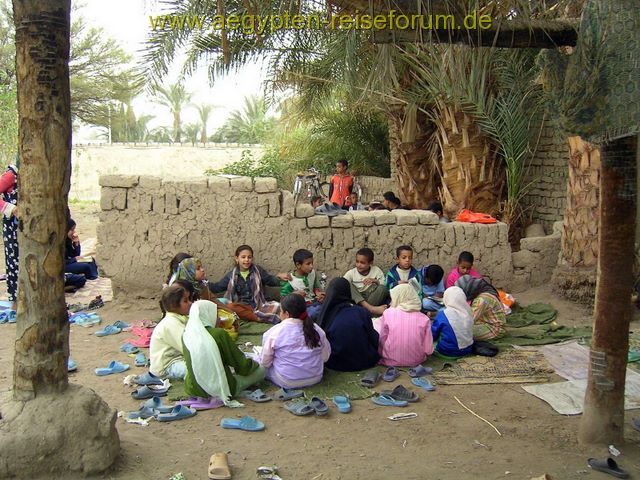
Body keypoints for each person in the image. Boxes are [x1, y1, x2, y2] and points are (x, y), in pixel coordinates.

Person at [183, 300, 265, 403]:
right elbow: (242, 366)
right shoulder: (219, 334)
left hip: (193, 389)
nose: (218, 319)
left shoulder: (185, 335)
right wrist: (255, 363)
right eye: (216, 315)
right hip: (220, 387)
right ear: (208, 315)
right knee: (262, 370)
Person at [258, 293, 331, 388]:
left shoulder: (275, 332)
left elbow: (265, 362)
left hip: (287, 380)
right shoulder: (317, 329)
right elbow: (325, 357)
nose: (280, 314)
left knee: (259, 362)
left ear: (287, 314)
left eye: (281, 311)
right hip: (315, 377)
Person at [208, 245, 290, 324]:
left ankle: (256, 316)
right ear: (237, 259)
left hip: (259, 305)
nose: (246, 260)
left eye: (249, 257)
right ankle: (257, 318)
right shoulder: (231, 275)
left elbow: (270, 280)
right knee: (230, 307)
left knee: (279, 307)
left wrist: (280, 278)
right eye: (243, 257)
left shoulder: (258, 270)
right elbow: (217, 287)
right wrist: (202, 284)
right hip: (243, 306)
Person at [317, 278, 380, 371]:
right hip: (365, 360)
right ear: (348, 291)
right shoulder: (360, 312)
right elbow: (373, 338)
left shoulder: (325, 315)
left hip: (336, 363)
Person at [378, 284, 434, 367]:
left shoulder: (388, 313)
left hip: (390, 359)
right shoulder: (424, 318)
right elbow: (428, 350)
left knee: (377, 324)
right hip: (416, 360)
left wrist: (380, 352)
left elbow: (382, 338)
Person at [150, 283, 193, 379]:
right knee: (198, 371)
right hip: (167, 366)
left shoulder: (181, 318)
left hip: (178, 358)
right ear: (174, 306)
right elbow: (188, 347)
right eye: (185, 301)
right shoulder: (171, 324)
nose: (190, 303)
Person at [455, 275, 506, 341]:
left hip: (495, 329)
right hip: (485, 321)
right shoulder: (484, 293)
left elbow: (470, 319)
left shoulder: (482, 299)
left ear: (469, 289)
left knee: (460, 333)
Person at [280, 249, 325, 320]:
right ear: (298, 265)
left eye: (312, 263)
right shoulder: (291, 280)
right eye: (308, 264)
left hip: (315, 302)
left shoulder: (312, 273)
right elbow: (284, 299)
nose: (311, 266)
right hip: (303, 308)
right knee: (314, 312)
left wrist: (318, 293)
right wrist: (294, 294)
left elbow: (315, 287)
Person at [431, 286, 474, 358]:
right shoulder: (468, 312)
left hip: (448, 351)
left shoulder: (443, 314)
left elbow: (433, 334)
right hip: (468, 349)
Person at [343, 247, 388, 316]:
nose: (359, 265)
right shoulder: (351, 273)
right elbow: (342, 284)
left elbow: (384, 285)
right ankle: (370, 310)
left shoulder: (376, 270)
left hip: (371, 298)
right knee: (346, 284)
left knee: (382, 288)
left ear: (370, 262)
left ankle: (363, 312)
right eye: (357, 261)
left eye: (362, 263)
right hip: (357, 300)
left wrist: (375, 281)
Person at [0, 159, 19, 310]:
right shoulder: (10, 175)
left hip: (26, 225)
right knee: (14, 259)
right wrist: (10, 208)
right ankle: (15, 298)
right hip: (12, 225)